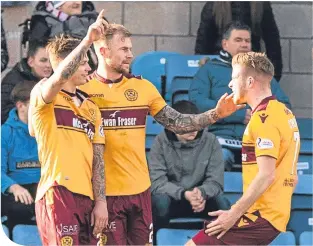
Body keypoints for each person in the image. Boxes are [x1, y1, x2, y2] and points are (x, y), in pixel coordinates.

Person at [80, 23, 245, 245]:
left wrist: (215, 114)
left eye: (131, 48)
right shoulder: (82, 91)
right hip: (104, 195)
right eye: (124, 50)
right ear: (103, 51)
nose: (131, 55)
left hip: (140, 193)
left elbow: (179, 122)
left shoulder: (143, 88)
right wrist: (86, 41)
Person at [186, 52, 300, 246]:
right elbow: (293, 177)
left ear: (249, 81)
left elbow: (266, 175)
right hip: (269, 215)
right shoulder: (283, 112)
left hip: (260, 215)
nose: (230, 84)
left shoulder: (264, 119)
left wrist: (234, 213)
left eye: (234, 78)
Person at [28, 10, 108, 245]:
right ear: (66, 64)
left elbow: (98, 159)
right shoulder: (44, 94)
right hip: (58, 191)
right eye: (83, 63)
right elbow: (59, 77)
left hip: (89, 198)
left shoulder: (91, 107)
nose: (88, 69)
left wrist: (101, 202)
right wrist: (87, 41)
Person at [189, 21, 291, 171]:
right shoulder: (209, 70)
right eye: (238, 40)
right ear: (225, 44)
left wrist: (260, 115)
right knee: (219, 159)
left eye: (247, 41)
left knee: (272, 166)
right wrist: (237, 114)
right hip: (220, 138)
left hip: (257, 139)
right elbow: (196, 104)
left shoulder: (261, 72)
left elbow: (284, 106)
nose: (244, 44)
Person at [148, 100, 231, 244]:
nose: (193, 129)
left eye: (197, 124)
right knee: (159, 201)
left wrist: (201, 192)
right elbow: (157, 182)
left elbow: (216, 182)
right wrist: (183, 194)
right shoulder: (160, 142)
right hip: (172, 199)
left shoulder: (211, 141)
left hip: (202, 200)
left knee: (222, 203)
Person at [195, 1, 282, 81]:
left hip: (250, 68)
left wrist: (273, 77)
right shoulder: (214, 5)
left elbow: (273, 43)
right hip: (220, 67)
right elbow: (203, 44)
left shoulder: (260, 5)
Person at [21, 1, 108, 71]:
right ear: (57, 4)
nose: (77, 2)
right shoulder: (41, 22)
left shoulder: (93, 19)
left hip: (91, 75)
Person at [1, 80, 39, 236]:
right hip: (17, 189)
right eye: (35, 104)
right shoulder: (5, 132)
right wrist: (13, 187)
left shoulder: (47, 129)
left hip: (42, 187)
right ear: (20, 106)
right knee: (19, 208)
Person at [1, 40, 52, 124]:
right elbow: (3, 112)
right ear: (31, 61)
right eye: (43, 60)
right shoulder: (13, 80)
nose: (48, 65)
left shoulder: (56, 78)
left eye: (51, 61)